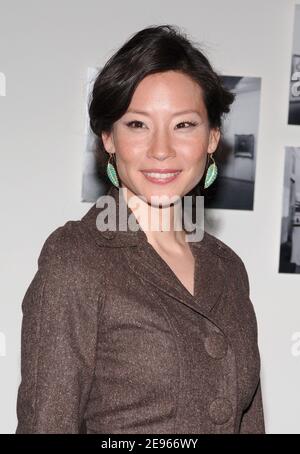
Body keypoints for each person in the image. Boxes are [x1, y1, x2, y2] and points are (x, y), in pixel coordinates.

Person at [15, 24, 265, 434]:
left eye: (184, 125)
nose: (161, 149)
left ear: (212, 137)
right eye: (137, 125)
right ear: (108, 138)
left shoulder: (228, 268)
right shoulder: (77, 258)